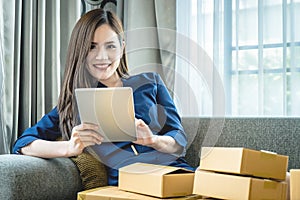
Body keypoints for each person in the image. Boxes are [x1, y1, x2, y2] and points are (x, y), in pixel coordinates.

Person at [13, 8, 194, 186]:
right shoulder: (75, 103)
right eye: (92, 47)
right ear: (81, 51)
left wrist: (154, 140)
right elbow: (23, 144)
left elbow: (179, 142)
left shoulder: (150, 82)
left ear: (122, 48)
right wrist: (69, 147)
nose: (102, 57)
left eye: (110, 46)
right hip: (132, 185)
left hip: (176, 173)